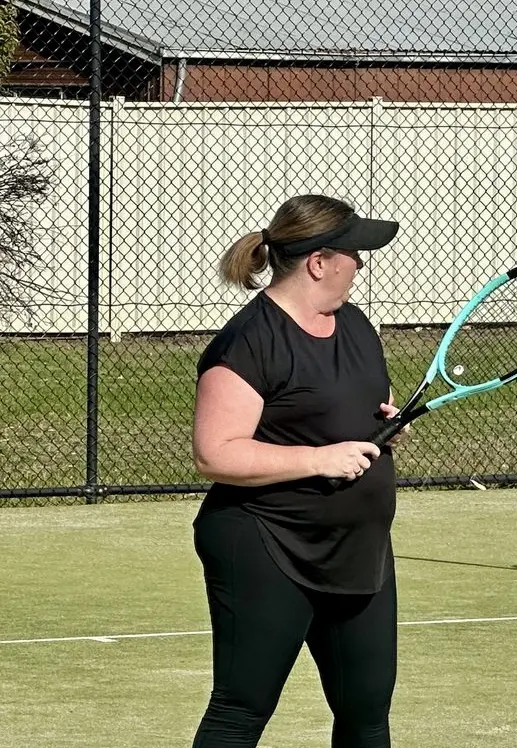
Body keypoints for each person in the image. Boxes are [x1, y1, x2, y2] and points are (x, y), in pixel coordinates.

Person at [190, 194, 405, 747]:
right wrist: (318, 458)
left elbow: (348, 406)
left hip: (358, 550)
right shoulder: (246, 342)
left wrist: (381, 420)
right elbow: (215, 453)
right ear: (319, 262)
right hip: (266, 543)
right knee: (242, 710)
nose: (362, 264)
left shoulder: (356, 325)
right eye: (355, 253)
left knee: (367, 713)